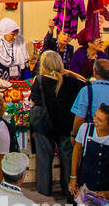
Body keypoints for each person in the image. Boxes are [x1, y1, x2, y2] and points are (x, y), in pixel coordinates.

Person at [31, 50, 84, 196]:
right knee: (68, 158)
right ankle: (69, 189)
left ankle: (44, 190)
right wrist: (71, 73)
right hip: (66, 125)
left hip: (44, 125)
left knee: (44, 159)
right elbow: (86, 83)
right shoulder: (71, 82)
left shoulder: (39, 80)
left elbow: (34, 101)